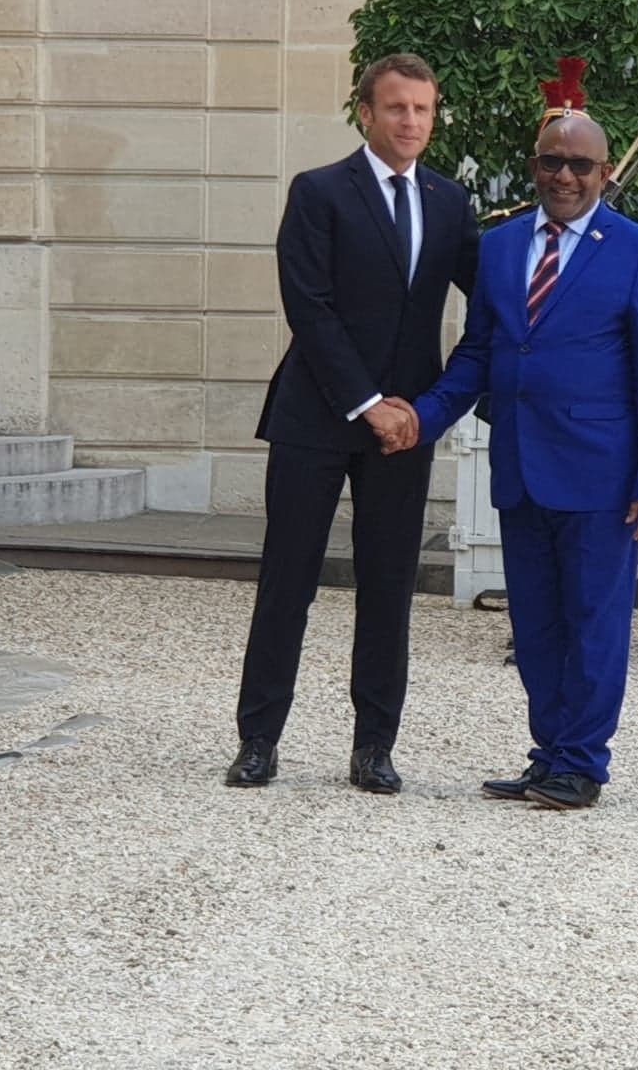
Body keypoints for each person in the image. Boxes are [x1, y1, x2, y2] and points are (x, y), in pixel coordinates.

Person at [382, 62, 638, 810]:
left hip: (602, 477)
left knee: (594, 624)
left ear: (604, 173)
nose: (564, 176)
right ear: (534, 166)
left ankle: (582, 762)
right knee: (539, 625)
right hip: (520, 467)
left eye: (580, 165)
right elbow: (479, 352)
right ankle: (549, 755)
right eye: (552, 162)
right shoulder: (502, 245)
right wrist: (423, 417)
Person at [224, 53, 479, 794]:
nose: (411, 121)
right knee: (288, 581)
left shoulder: (449, 201)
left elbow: (493, 289)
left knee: (389, 586)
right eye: (397, 107)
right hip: (317, 415)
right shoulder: (319, 192)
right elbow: (309, 306)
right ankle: (259, 740)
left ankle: (374, 747)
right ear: (366, 113)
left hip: (404, 429)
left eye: (423, 109)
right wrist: (367, 402)